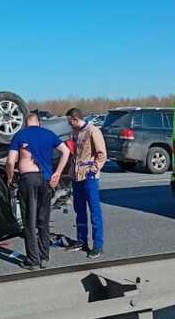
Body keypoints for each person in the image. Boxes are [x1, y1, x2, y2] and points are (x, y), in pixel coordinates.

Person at [5, 113, 70, 270]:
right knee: (43, 220)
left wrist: (10, 176)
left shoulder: (20, 135)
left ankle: (33, 260)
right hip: (46, 180)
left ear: (26, 124)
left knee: (29, 220)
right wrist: (57, 173)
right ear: (39, 123)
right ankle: (44, 257)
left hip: (28, 179)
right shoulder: (48, 134)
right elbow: (66, 152)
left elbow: (9, 160)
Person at [65, 107, 107, 258]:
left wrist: (93, 169)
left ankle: (98, 245)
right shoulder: (75, 132)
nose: (69, 125)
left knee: (94, 211)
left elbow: (102, 154)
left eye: (70, 122)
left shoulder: (93, 131)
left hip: (89, 177)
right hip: (76, 177)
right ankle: (81, 240)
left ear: (75, 119)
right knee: (79, 210)